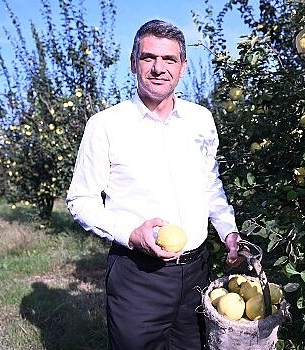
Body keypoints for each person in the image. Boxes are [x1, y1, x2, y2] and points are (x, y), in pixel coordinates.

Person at [66, 19, 241, 350]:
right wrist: (130, 233)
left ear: (183, 67)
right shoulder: (105, 126)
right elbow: (81, 200)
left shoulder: (201, 119)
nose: (159, 68)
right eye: (149, 57)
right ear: (134, 63)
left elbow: (210, 183)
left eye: (169, 59)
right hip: (138, 276)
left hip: (196, 275)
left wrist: (228, 231)